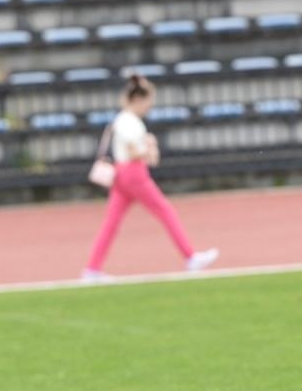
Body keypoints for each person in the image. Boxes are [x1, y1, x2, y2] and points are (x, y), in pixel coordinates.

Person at [81, 73, 218, 281]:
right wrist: (149, 147)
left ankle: (92, 268)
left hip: (124, 174)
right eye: (148, 101)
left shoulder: (126, 120)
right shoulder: (129, 121)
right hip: (133, 173)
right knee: (165, 211)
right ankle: (190, 256)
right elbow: (134, 152)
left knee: (111, 223)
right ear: (138, 99)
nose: (150, 106)